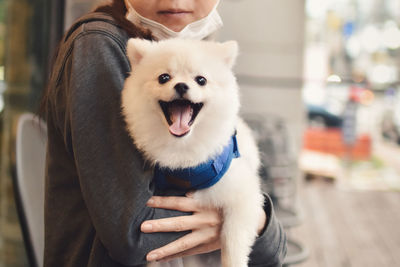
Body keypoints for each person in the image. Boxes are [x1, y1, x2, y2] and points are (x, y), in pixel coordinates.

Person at [39, 0, 287, 266]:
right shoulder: (101, 45)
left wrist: (248, 218)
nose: (177, 1)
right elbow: (133, 237)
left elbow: (270, 246)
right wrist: (232, 216)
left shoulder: (190, 47)